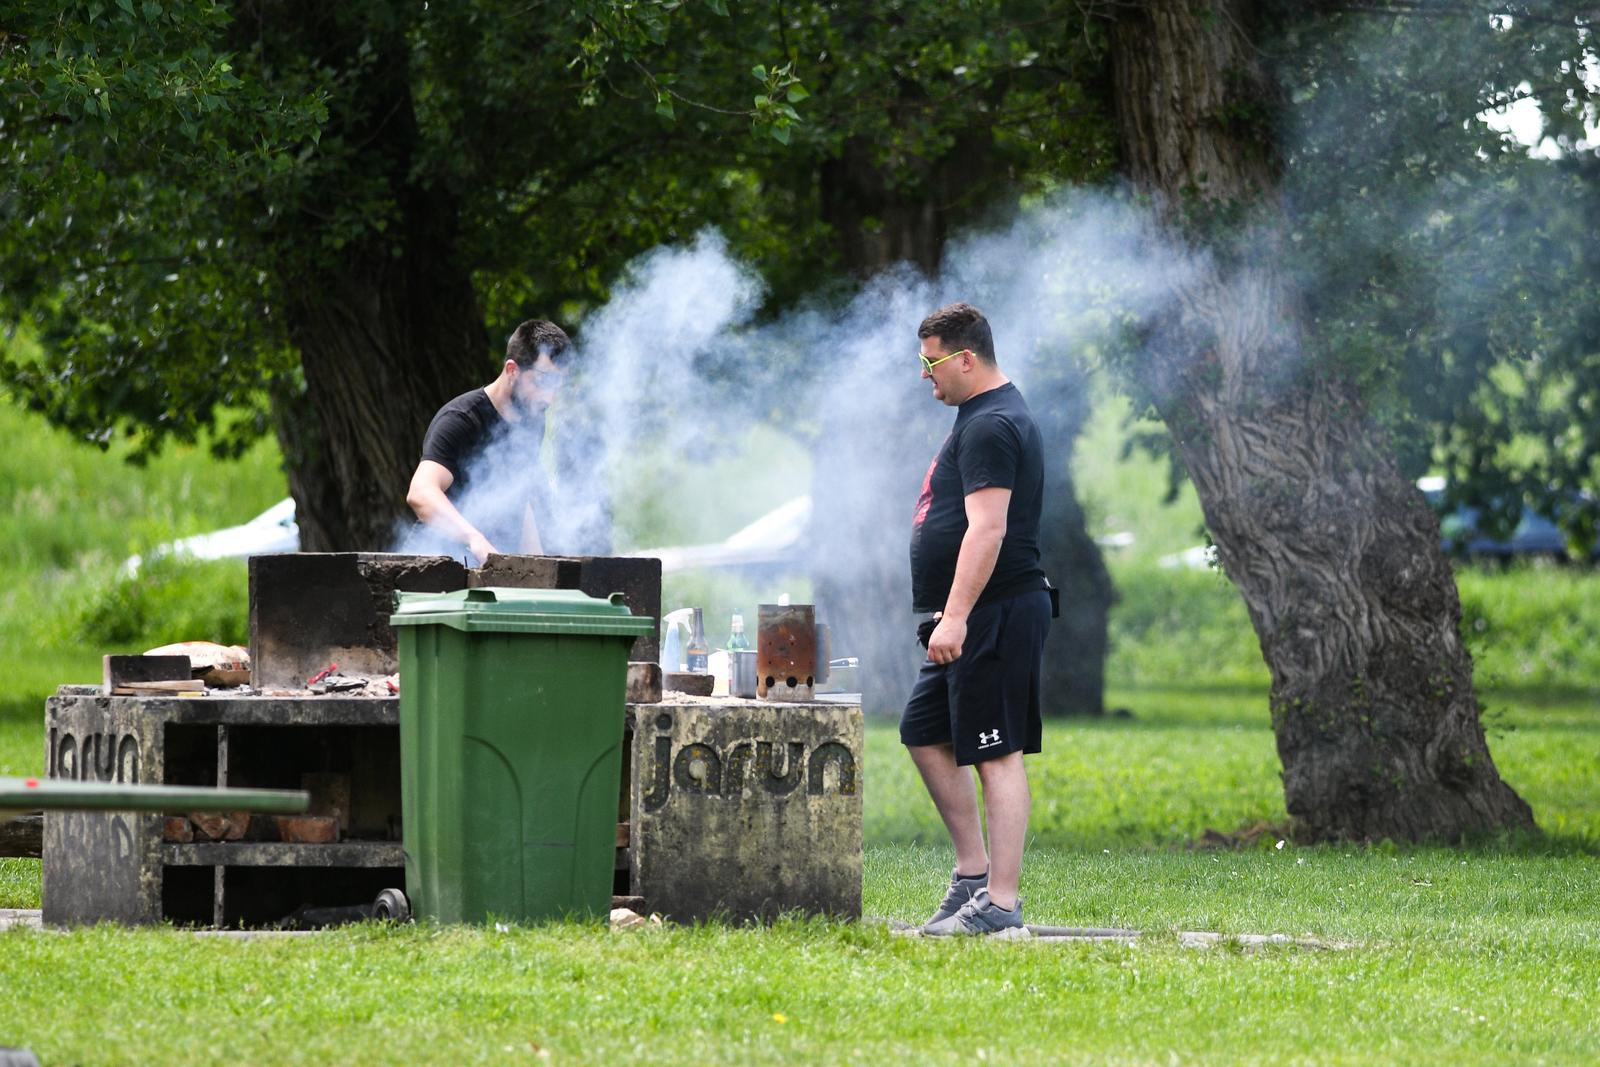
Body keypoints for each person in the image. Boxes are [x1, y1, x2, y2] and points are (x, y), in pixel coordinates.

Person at [902, 302, 1051, 938]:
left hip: (993, 610)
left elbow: (987, 530)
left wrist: (956, 616)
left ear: (967, 358)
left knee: (997, 753)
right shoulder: (978, 417)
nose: (924, 375)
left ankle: (1002, 905)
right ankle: (972, 876)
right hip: (971, 613)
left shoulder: (992, 424)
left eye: (931, 362)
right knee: (924, 730)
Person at [406, 319, 605, 563]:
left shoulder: (533, 418)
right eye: (543, 382)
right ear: (512, 370)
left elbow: (523, 499)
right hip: (433, 566)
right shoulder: (460, 419)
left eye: (558, 386)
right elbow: (420, 492)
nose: (550, 398)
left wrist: (537, 566)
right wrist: (475, 539)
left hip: (489, 570)